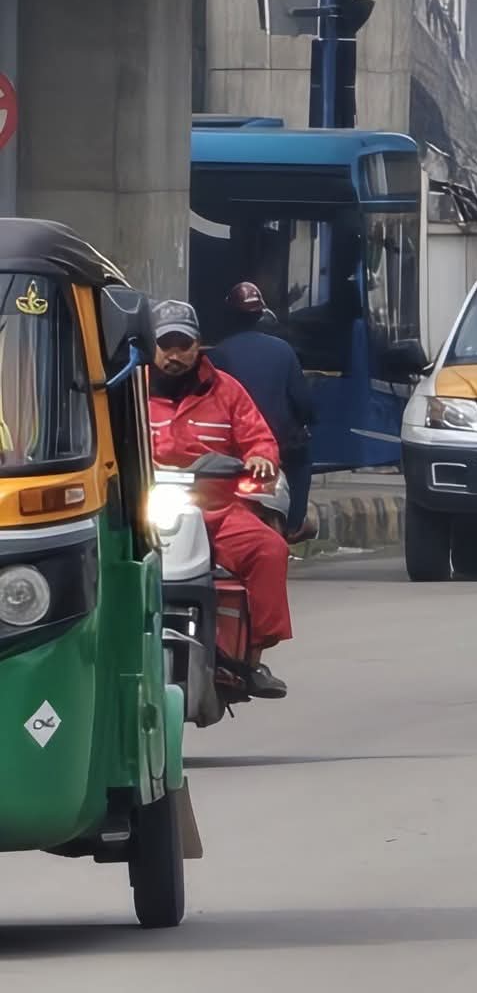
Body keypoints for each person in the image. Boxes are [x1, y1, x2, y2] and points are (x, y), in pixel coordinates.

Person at [146, 300, 292, 699]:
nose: (174, 355)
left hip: (217, 512)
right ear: (152, 347)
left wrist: (261, 456)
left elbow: (258, 437)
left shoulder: (227, 390)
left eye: (183, 345)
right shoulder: (129, 391)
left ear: (198, 346)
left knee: (269, 549)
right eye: (166, 345)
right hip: (144, 513)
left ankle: (251, 656)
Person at [207, 282, 317, 539]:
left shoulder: (216, 356)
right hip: (278, 444)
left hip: (233, 446)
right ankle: (294, 524)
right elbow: (302, 402)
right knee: (302, 460)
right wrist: (308, 418)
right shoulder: (283, 351)